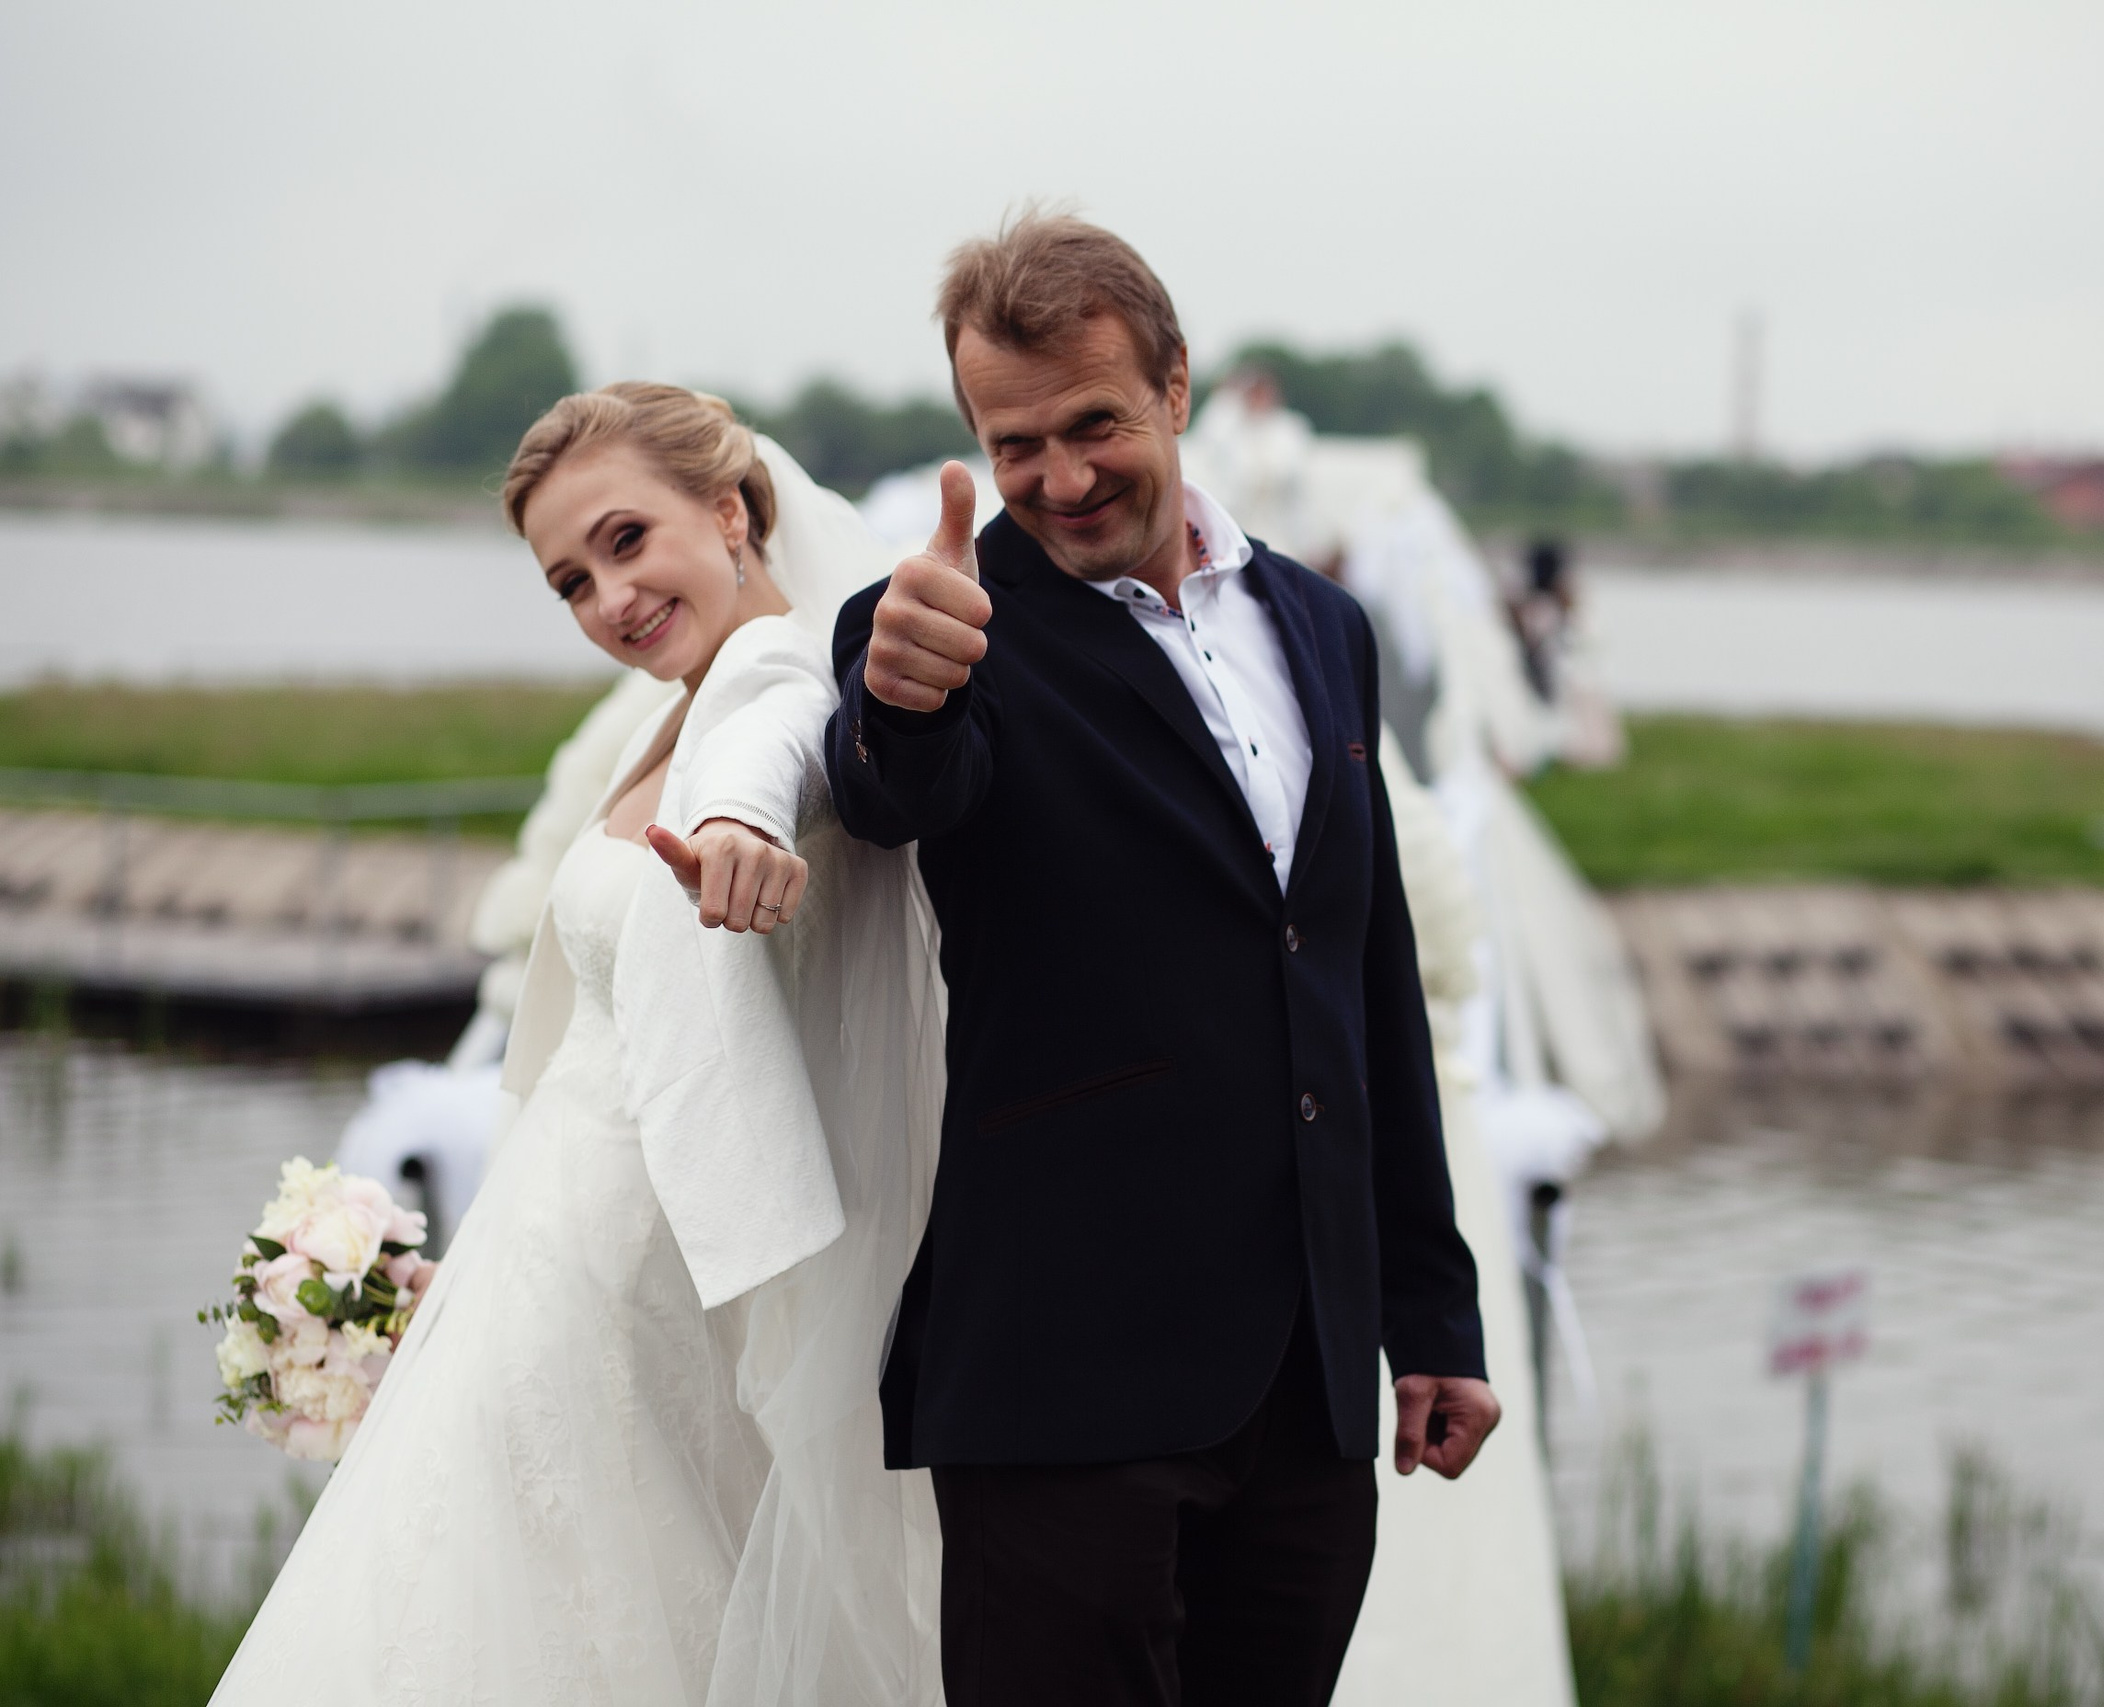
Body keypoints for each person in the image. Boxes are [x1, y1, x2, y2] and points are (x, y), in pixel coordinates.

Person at [835, 212, 1499, 1707]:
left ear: (1176, 386)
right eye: (1014, 446)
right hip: (1064, 1377)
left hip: (1310, 1388)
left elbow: (1364, 975)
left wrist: (1428, 1313)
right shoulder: (937, 630)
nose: (1061, 480)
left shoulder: (1326, 626)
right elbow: (896, 787)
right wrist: (901, 697)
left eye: (1094, 426)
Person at [210, 386, 945, 1706]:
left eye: (626, 540)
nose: (610, 598)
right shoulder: (666, 711)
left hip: (639, 1298)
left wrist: (741, 828)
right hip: (544, 1275)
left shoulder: (776, 674)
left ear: (729, 511)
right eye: (570, 582)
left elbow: (778, 749)